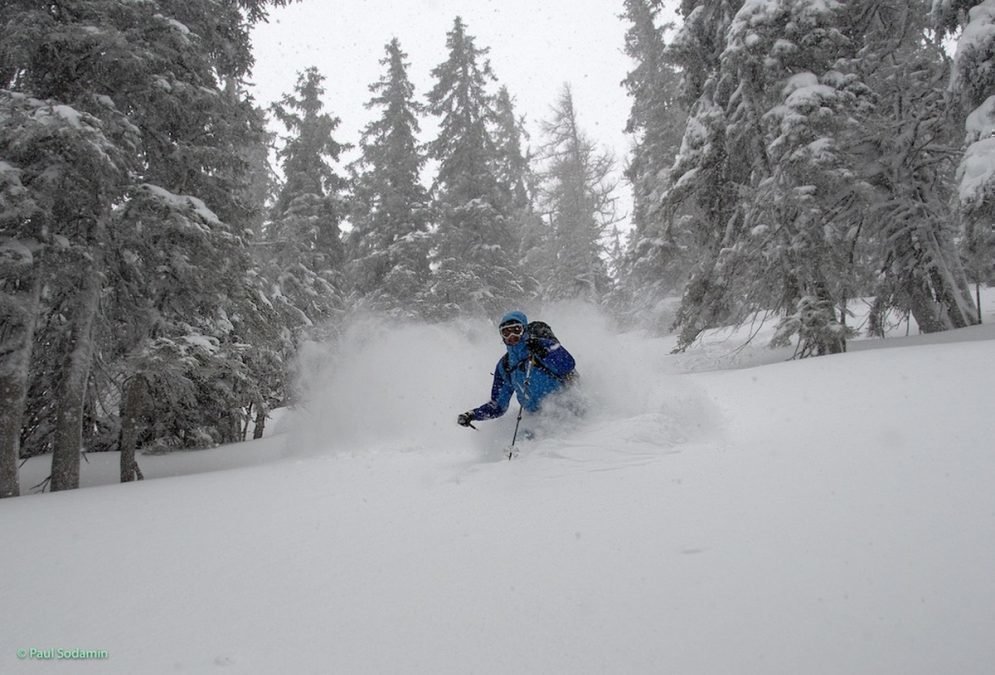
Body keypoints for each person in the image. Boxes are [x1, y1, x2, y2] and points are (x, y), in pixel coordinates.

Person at [457, 310, 577, 429]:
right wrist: (473, 415)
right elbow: (498, 406)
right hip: (538, 419)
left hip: (570, 408)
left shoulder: (542, 345)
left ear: (524, 330)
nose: (511, 336)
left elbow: (568, 365)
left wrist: (544, 352)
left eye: (516, 330)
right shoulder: (505, 366)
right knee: (528, 445)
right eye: (506, 332)